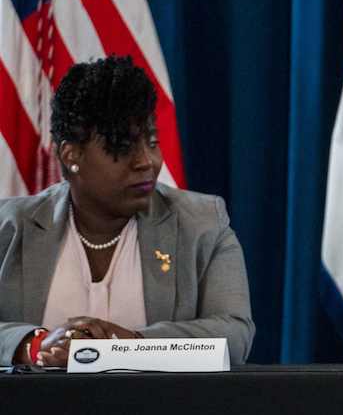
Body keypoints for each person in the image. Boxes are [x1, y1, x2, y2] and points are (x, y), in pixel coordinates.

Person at [0, 56, 254, 367]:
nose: (146, 161)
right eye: (123, 147)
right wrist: (36, 345)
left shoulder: (202, 224)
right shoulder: (10, 228)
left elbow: (235, 334)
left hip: (160, 413)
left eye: (151, 142)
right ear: (71, 154)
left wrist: (127, 345)